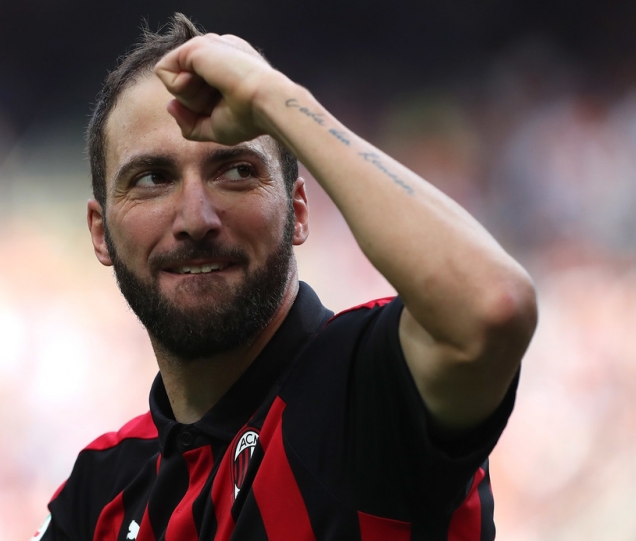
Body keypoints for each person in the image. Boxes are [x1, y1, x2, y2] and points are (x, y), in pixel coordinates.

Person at [32, 13, 537, 541]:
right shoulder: (98, 492)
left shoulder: (365, 391)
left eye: (237, 171)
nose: (196, 218)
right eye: (153, 178)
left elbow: (493, 305)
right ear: (100, 232)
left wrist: (275, 98)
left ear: (297, 211)